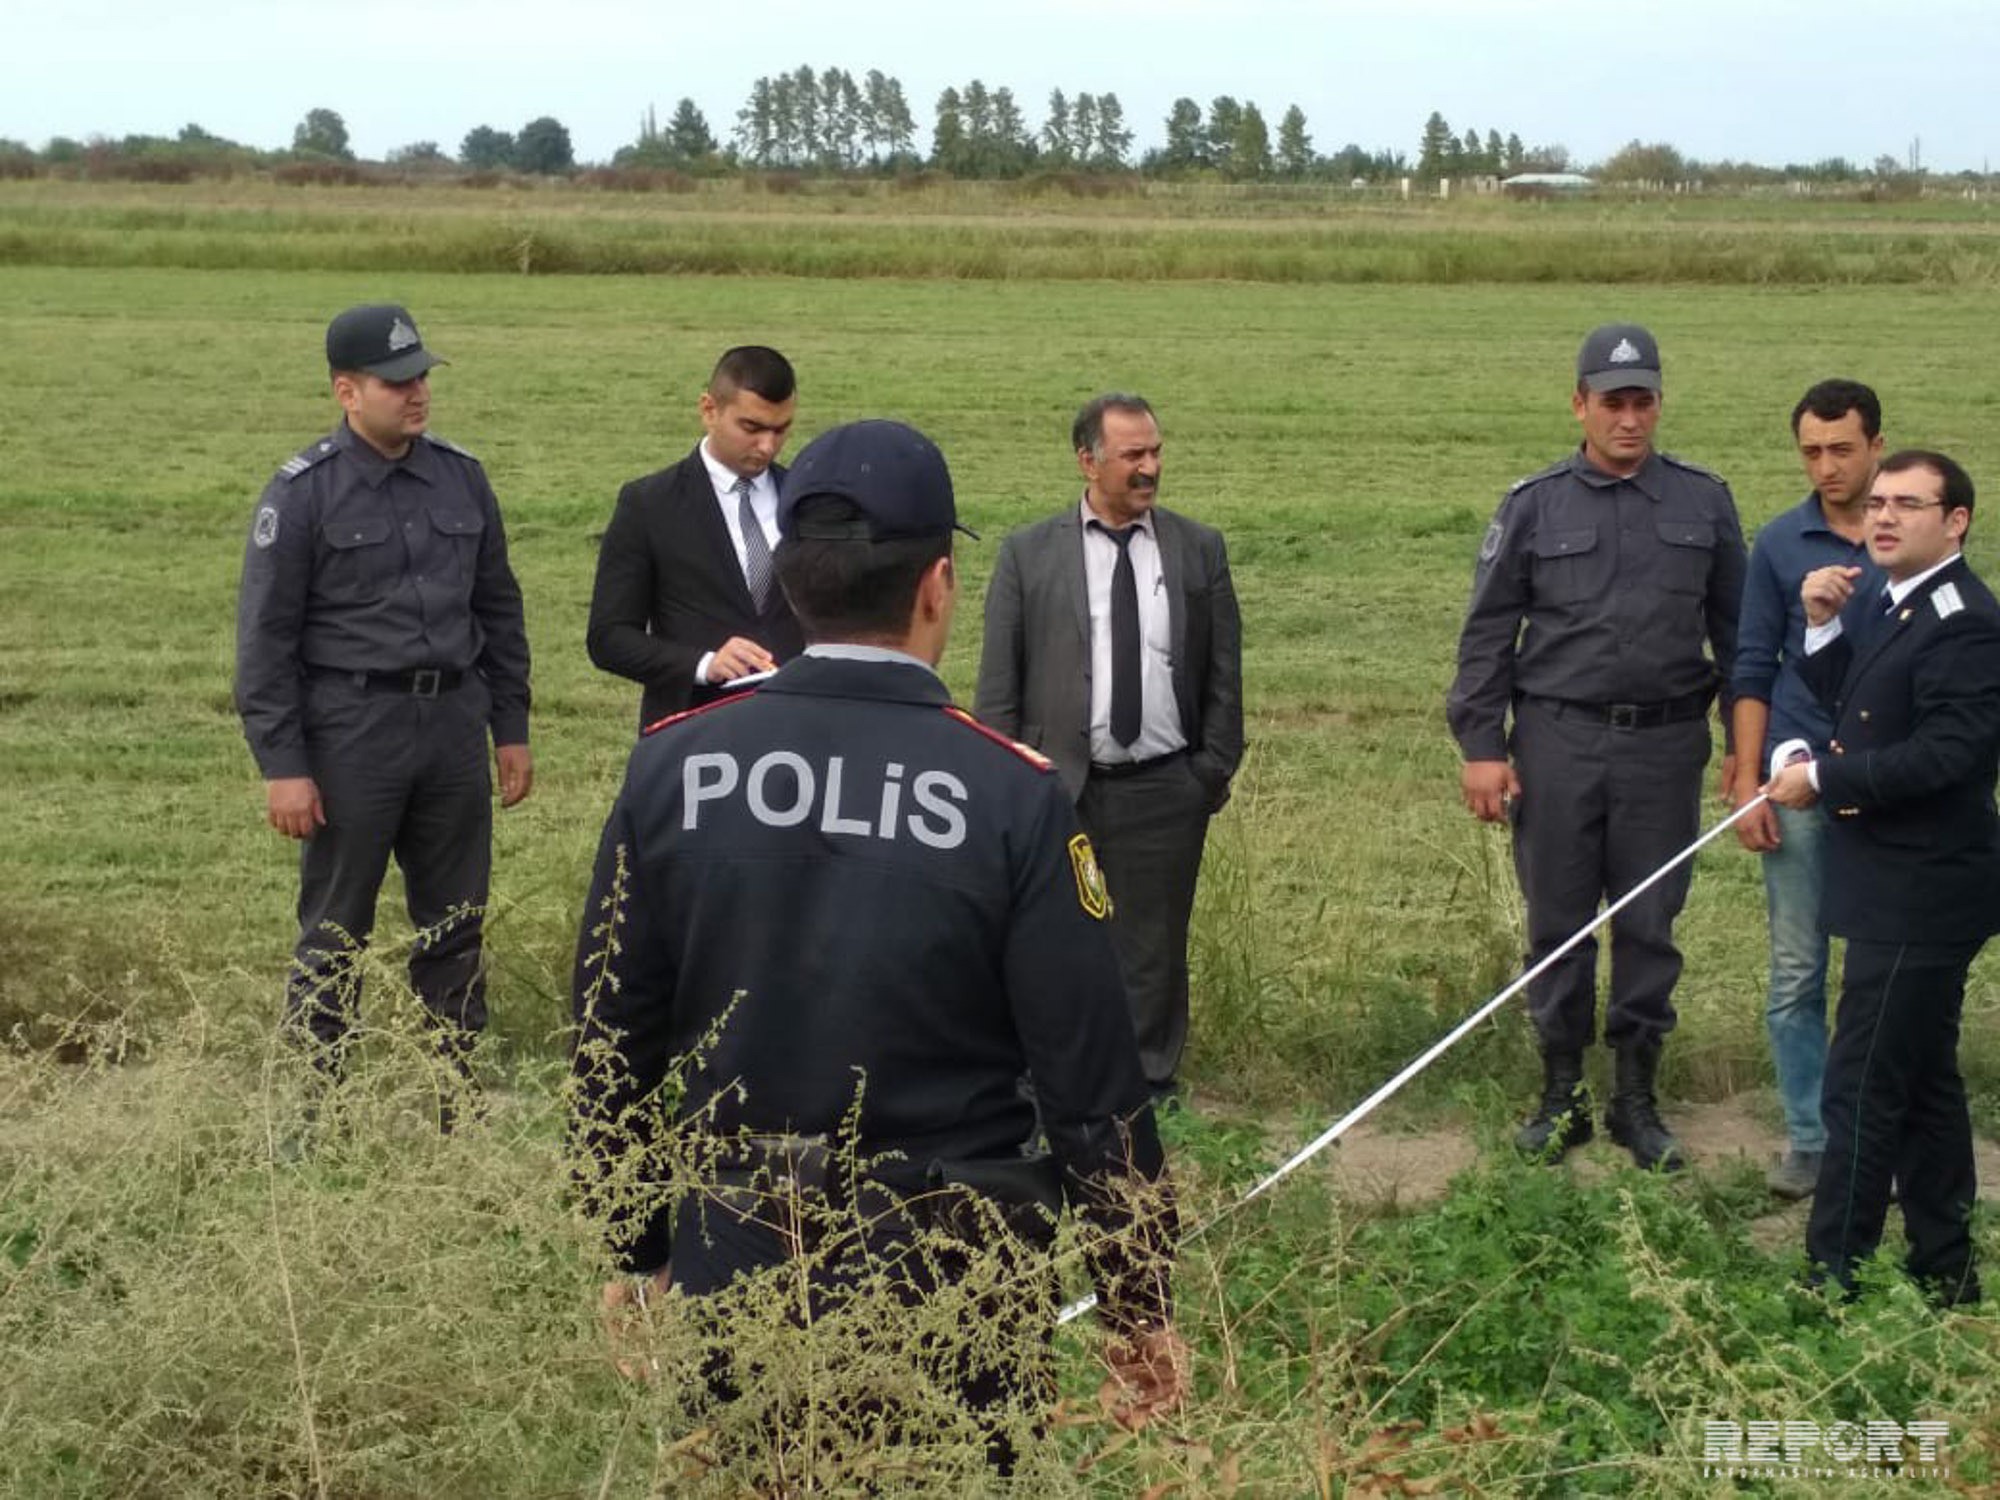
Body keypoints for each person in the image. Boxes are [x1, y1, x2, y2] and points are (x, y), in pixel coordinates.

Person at [570, 420, 1186, 1468]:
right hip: (955, 1267)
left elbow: (606, 1043)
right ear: (938, 584)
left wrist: (633, 1250)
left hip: (737, 1251)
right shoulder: (1011, 793)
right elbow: (1090, 1081)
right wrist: (1137, 1300)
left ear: (789, 580)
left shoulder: (673, 768)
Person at [1447, 324, 1746, 1172]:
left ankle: (1636, 1098)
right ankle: (1562, 1092)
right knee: (1558, 924)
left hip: (1662, 747)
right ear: (1579, 404)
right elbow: (1487, 635)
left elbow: (1738, 634)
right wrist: (1481, 744)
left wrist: (1744, 745)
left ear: (1659, 403)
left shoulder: (1704, 502)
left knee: (1650, 925)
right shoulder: (1534, 504)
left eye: (1642, 400)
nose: (1628, 417)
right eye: (1611, 401)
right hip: (1557, 744)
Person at [234, 304, 532, 1112]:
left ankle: (453, 1102)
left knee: (457, 925)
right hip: (351, 734)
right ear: (345, 390)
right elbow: (265, 643)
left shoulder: (462, 477)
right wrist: (285, 767)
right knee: (335, 931)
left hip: (450, 732)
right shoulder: (301, 495)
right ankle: (311, 1107)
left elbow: (498, 610)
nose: (417, 392)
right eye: (397, 381)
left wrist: (511, 729)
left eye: (422, 375)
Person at [1766, 450, 2000, 1308]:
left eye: (1909, 503)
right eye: (1877, 505)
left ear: (1957, 521)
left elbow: (1947, 753)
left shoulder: (1965, 620)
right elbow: (1865, 707)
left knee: (1860, 1083)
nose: (1884, 518)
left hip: (1924, 890)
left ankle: (1834, 1276)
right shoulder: (1886, 600)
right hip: (1891, 884)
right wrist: (1823, 628)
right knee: (1926, 1078)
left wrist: (1823, 780)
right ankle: (1946, 1267)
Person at [974, 394, 1243, 1101]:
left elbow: (1224, 673)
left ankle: (1149, 1083)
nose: (1150, 467)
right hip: (1059, 786)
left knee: (1152, 947)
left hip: (1164, 784)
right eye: (1133, 455)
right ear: (1087, 460)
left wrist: (1208, 772)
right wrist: (1006, 785)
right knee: (1048, 940)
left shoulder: (1198, 548)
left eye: (1155, 451)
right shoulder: (1028, 554)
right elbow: (999, 685)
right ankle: (1046, 1083)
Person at [1729, 380, 1883, 1199]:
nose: (1826, 466)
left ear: (1876, 448)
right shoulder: (1780, 542)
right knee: (1797, 970)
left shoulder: (1907, 537)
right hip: (1795, 784)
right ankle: (1809, 1137)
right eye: (1811, 451)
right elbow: (1752, 664)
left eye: (1842, 449)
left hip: (1881, 786)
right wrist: (1751, 783)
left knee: (1877, 970)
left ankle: (1871, 1131)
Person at [586, 346, 805, 728]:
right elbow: (609, 638)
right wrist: (705, 664)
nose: (767, 446)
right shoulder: (648, 504)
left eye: (781, 429)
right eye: (752, 428)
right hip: (691, 732)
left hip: (797, 729)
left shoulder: (809, 502)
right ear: (709, 410)